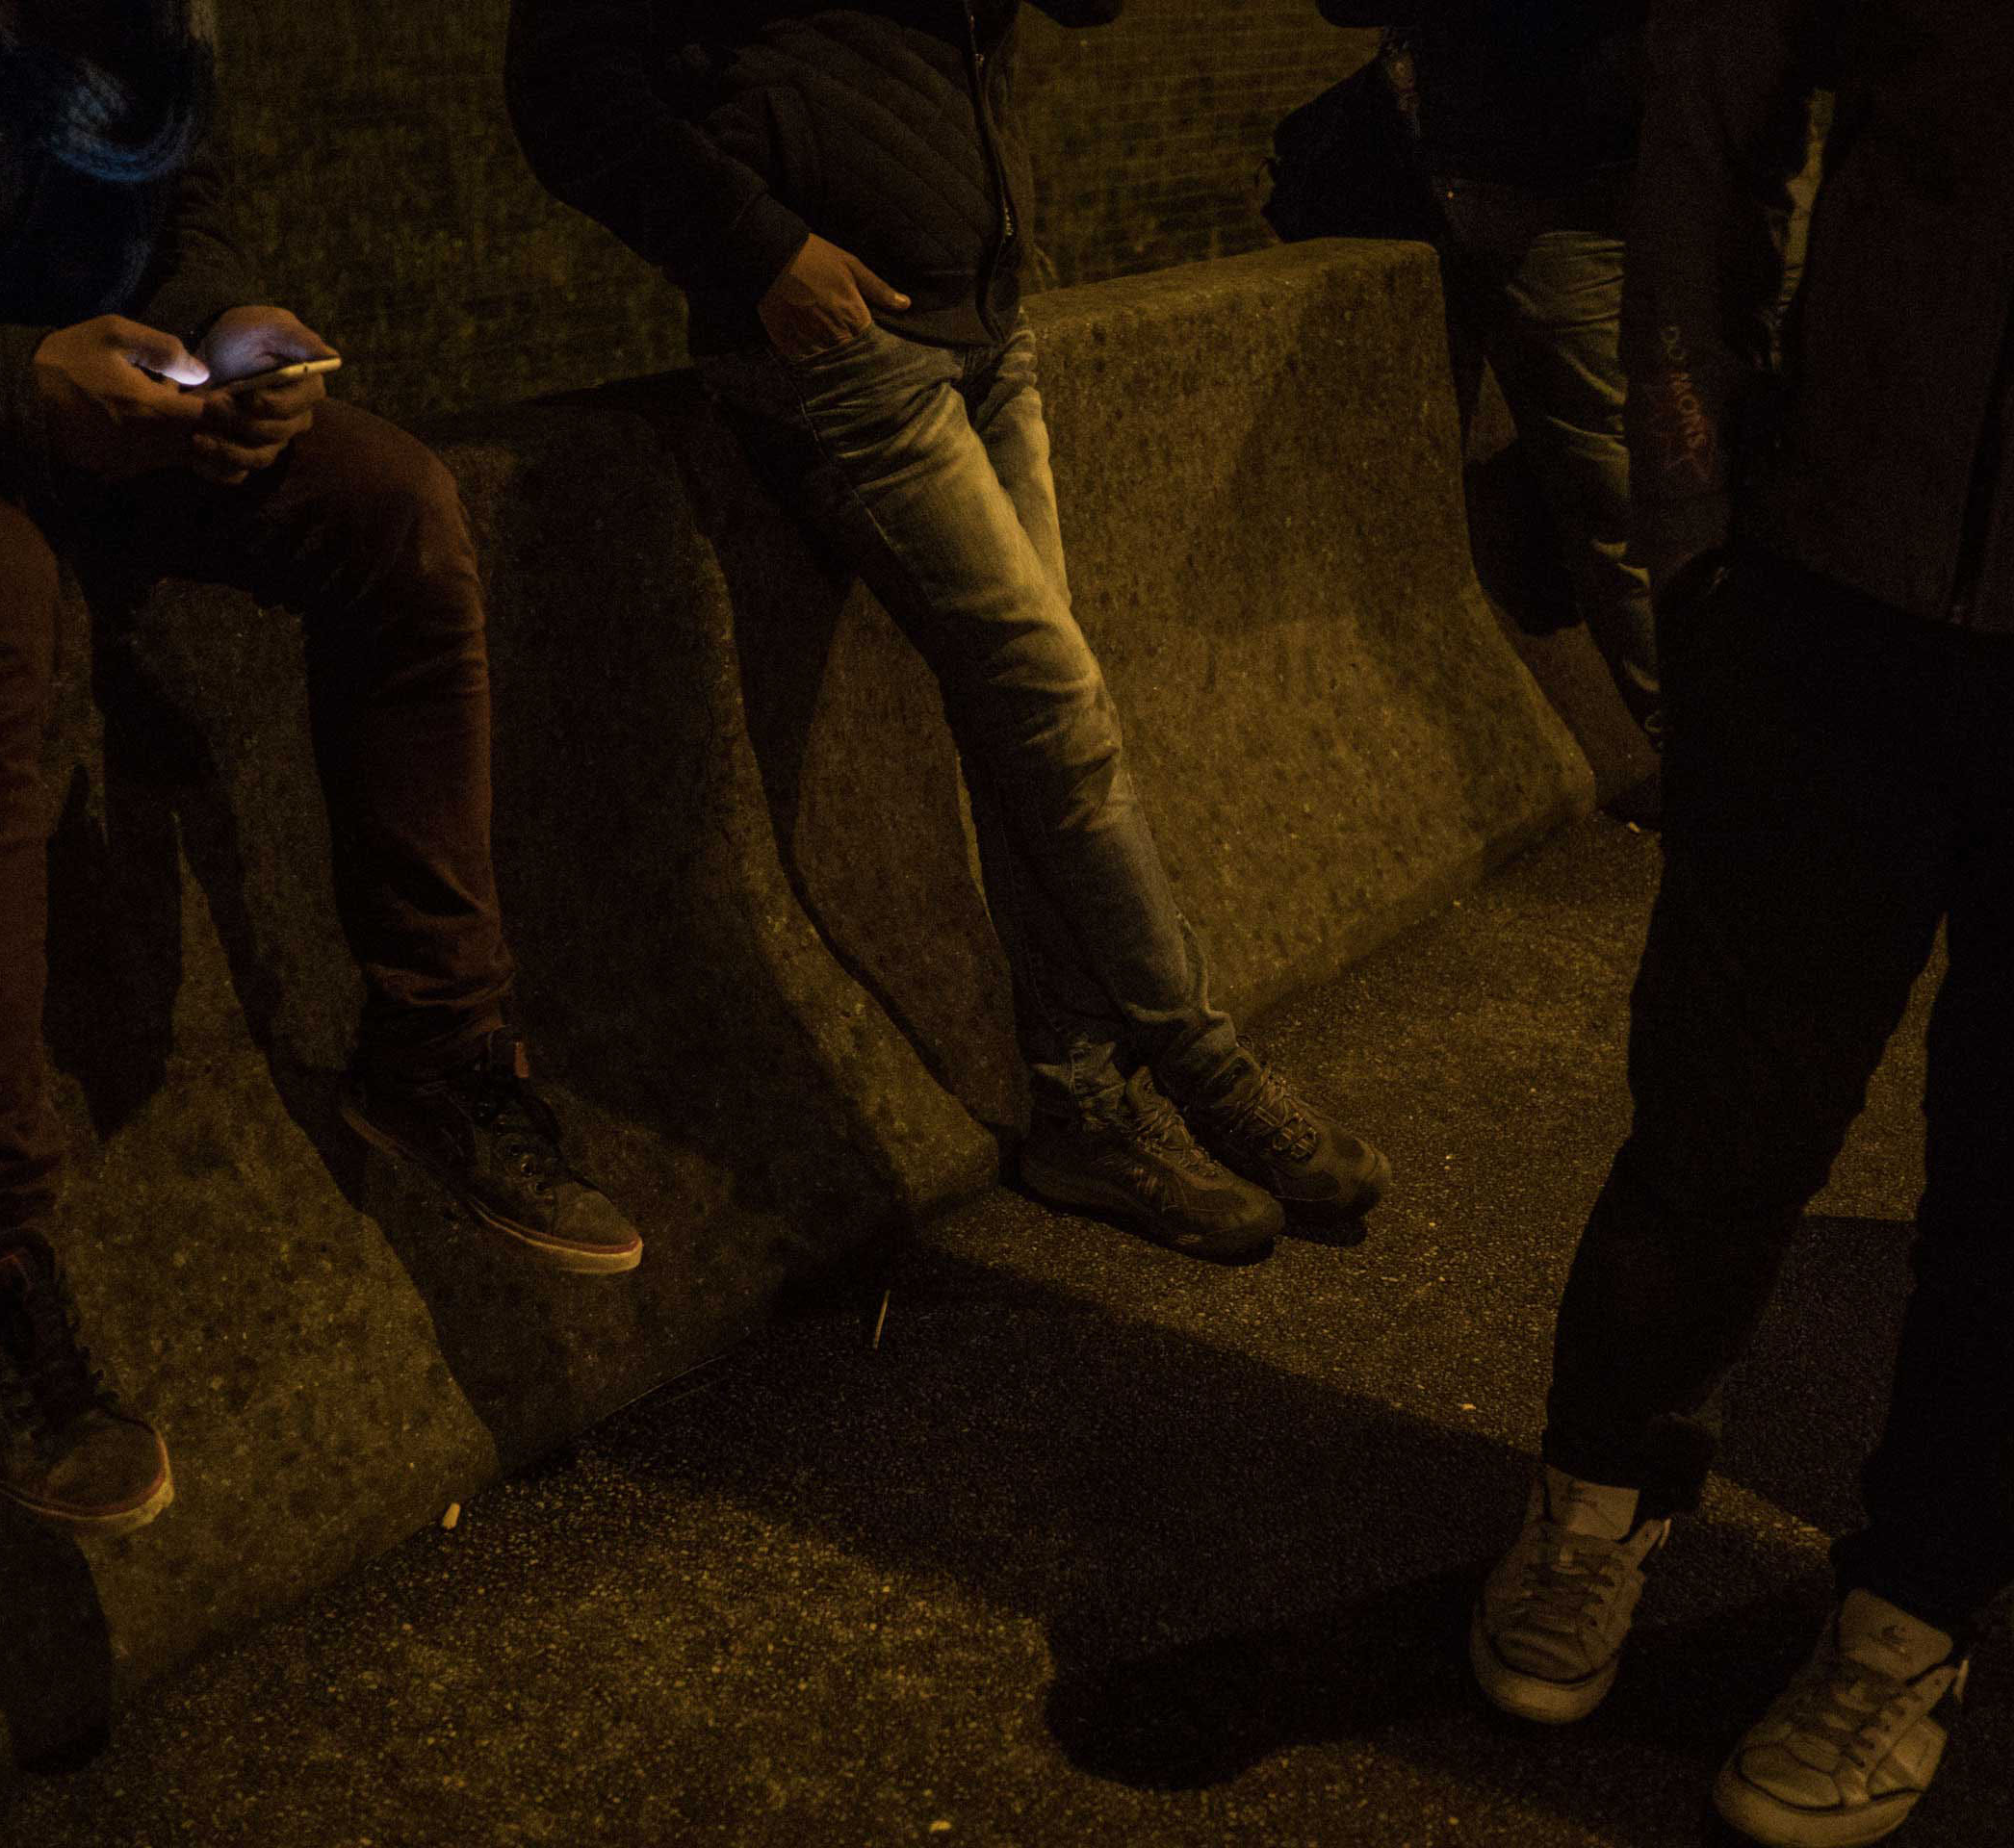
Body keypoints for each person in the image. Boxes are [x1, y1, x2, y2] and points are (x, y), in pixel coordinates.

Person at [1466, 2, 2014, 1843]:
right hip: (1839, 600)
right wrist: (1702, 533)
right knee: (1718, 1124)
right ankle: (1600, 1498)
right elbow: (1706, 132)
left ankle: (1910, 1618)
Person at [0, 0, 641, 1539]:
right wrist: (9, 381)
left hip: (69, 407)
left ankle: (439, 1047)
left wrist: (234, 338)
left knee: (396, 509)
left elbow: (194, 207)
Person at [504, 1, 1390, 1266]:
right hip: (848, 349)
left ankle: (1081, 1116)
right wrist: (761, 250)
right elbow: (560, 80)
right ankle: (1211, 1070)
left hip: (984, 324)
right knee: (1055, 708)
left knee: (1032, 727)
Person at [1310, 2, 1662, 752]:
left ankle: (1752, 776)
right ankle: (1720, 783)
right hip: (1544, 188)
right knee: (1622, 498)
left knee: (1719, 476)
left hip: (1682, 159)